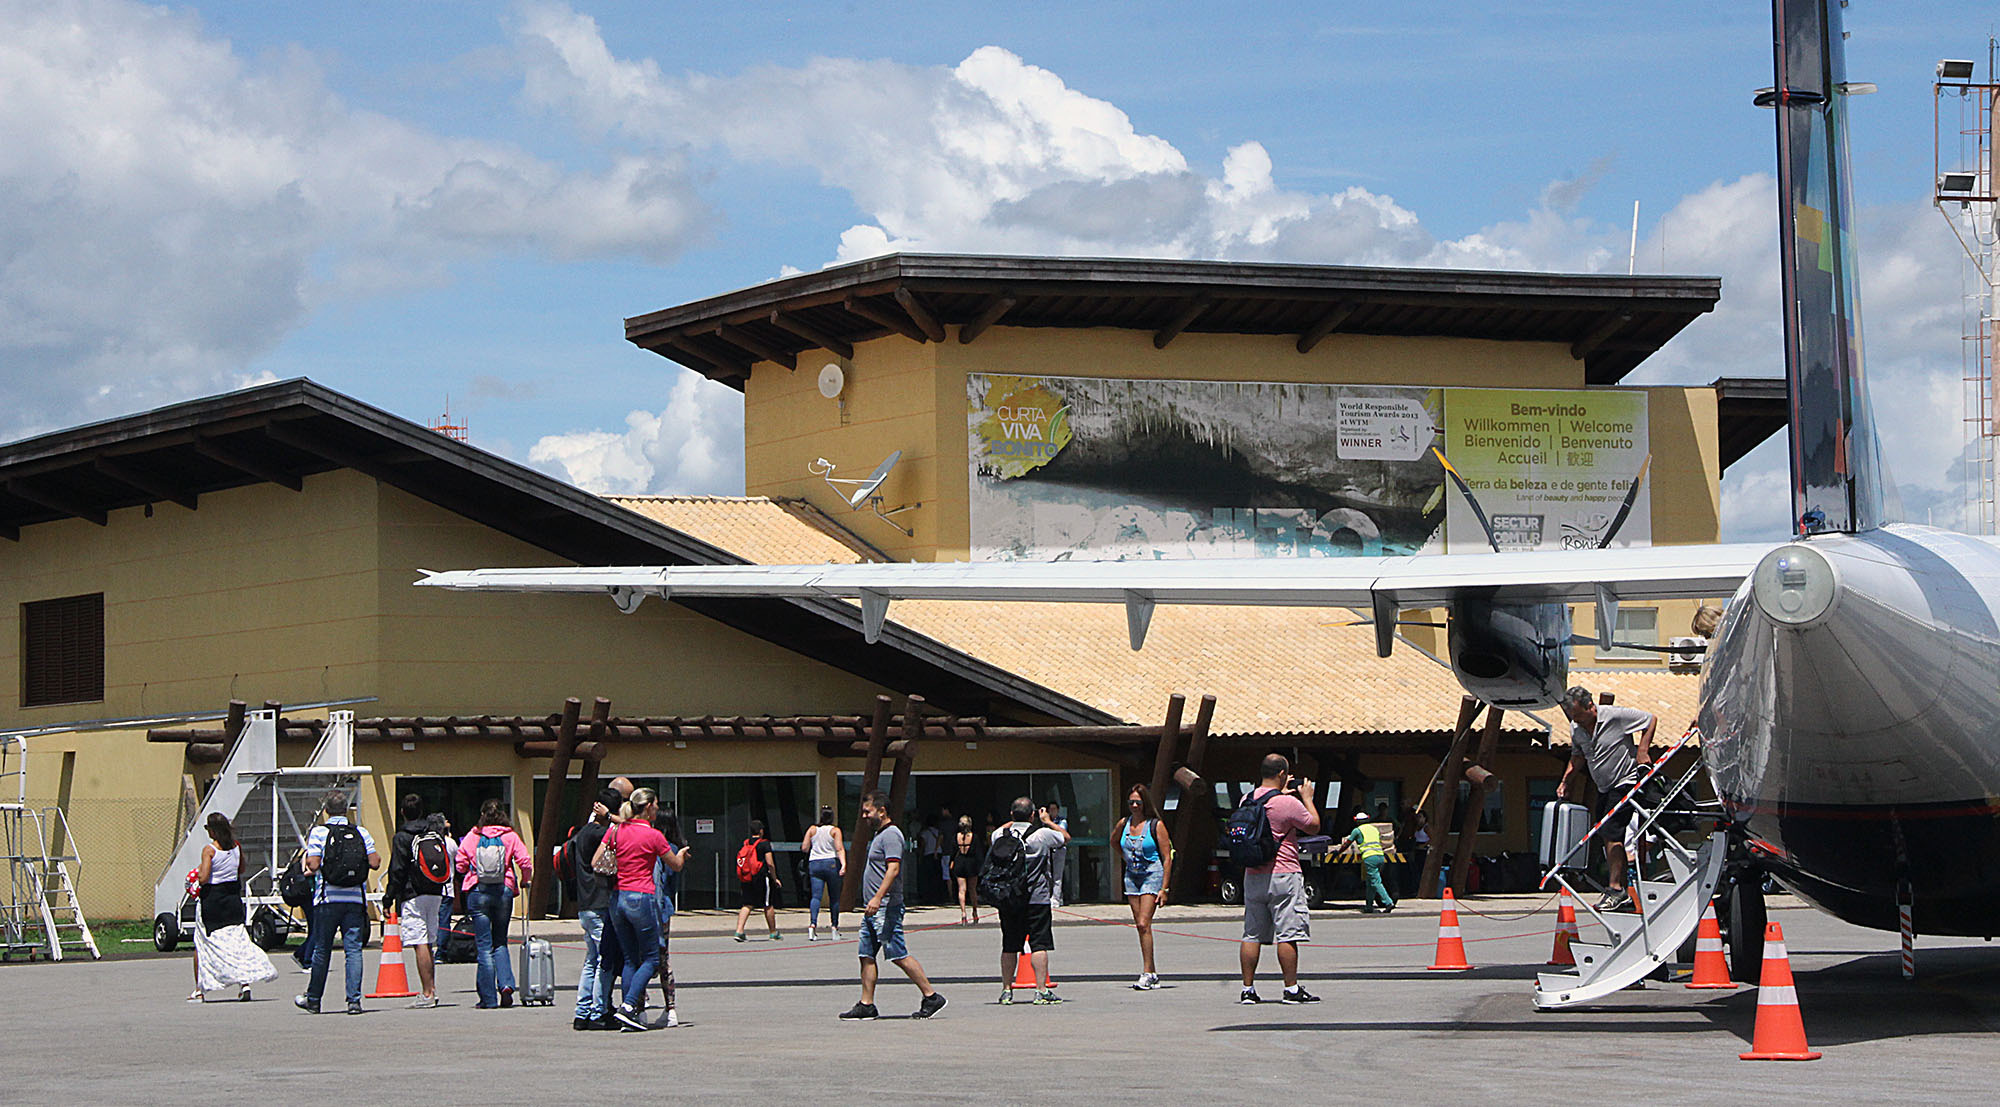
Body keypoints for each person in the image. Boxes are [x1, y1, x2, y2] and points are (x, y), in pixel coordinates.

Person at [842, 789, 946, 1020]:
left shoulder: (891, 835)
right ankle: (866, 1004)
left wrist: (878, 898)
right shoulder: (880, 835)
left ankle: (931, 996)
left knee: (897, 953)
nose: (864, 816)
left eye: (867, 812)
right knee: (866, 954)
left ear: (882, 810)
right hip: (873, 910)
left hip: (886, 907)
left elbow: (894, 869)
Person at [1557, 686, 1657, 912]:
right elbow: (1577, 756)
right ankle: (1621, 887)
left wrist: (1642, 751)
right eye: (1574, 718)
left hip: (1625, 782)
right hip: (1603, 787)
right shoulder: (1577, 728)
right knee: (1606, 834)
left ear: (1590, 707)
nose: (1578, 722)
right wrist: (1566, 781)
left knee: (1612, 831)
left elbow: (1650, 719)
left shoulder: (1614, 716)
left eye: (1580, 716)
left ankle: (1615, 888)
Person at [1237, 754, 1320, 1005]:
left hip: (1253, 874)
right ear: (1283, 774)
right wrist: (1306, 798)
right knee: (1288, 934)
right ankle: (1291, 989)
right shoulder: (1287, 803)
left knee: (1252, 934)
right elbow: (1313, 825)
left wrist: (1281, 792)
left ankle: (1248, 990)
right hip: (1284, 873)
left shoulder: (1246, 799)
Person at [295, 791, 381, 1015]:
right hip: (354, 899)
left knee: (322, 949)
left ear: (326, 811)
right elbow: (375, 862)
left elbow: (313, 865)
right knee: (353, 951)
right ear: (346, 810)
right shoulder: (361, 832)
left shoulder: (320, 832)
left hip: (327, 899)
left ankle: (313, 999)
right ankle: (354, 1001)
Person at [596, 787, 670, 1031]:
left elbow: (596, 861)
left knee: (630, 959)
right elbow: (675, 865)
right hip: (642, 896)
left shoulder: (616, 831)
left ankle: (631, 1015)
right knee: (651, 958)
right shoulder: (654, 835)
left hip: (618, 898)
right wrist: (681, 854)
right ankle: (628, 1007)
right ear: (647, 807)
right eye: (656, 805)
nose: (658, 810)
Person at [991, 796, 1070, 1005]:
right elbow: (1065, 838)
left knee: (1009, 944)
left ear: (1011, 814)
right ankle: (1041, 990)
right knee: (1039, 943)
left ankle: (1006, 990)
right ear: (1033, 814)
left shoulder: (1000, 834)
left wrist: (1012, 821)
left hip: (1009, 897)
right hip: (1037, 897)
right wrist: (1047, 821)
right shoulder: (1042, 834)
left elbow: (997, 835)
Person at [454, 798, 532, 1010]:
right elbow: (525, 861)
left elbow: (460, 864)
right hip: (503, 891)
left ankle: (488, 998)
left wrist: (467, 872)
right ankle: (506, 985)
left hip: (478, 891)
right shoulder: (510, 836)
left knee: (484, 946)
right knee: (500, 941)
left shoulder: (473, 836)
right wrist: (525, 880)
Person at [189, 812, 265, 1002]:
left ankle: (200, 989)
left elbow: (205, 877)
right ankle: (244, 983)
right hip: (232, 898)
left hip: (213, 900)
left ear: (213, 830)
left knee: (202, 942)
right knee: (237, 940)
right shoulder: (236, 847)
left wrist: (196, 877)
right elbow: (241, 869)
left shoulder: (209, 850)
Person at [384, 793, 450, 1007]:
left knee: (419, 942)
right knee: (429, 942)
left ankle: (427, 993)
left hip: (413, 894)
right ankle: (432, 989)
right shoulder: (432, 832)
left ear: (402, 812)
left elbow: (397, 871)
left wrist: (388, 898)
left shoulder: (402, 837)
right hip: (435, 890)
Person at [568, 787, 621, 1031]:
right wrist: (611, 817)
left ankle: (582, 1011)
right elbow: (628, 830)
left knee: (591, 959)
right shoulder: (602, 833)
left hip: (585, 903)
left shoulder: (582, 833)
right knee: (604, 959)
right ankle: (599, 1011)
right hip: (600, 902)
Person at [1113, 784, 1172, 990]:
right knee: (1140, 926)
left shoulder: (1156, 825)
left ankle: (1147, 973)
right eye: (1131, 802)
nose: (1135, 806)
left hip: (1152, 875)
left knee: (1143, 922)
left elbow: (1167, 857)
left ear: (1145, 803)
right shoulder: (1124, 823)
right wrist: (1126, 858)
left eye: (1138, 802)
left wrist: (1164, 888)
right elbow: (1114, 842)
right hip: (1132, 876)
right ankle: (1152, 971)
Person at [651, 810, 692, 1028]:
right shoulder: (676, 849)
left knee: (642, 959)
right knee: (664, 957)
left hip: (649, 904)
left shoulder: (653, 846)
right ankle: (671, 1008)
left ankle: (638, 1006)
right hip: (665, 905)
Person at [732, 819, 782, 941]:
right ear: (761, 831)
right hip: (761, 877)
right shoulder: (764, 844)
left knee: (747, 904)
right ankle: (773, 932)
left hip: (747, 877)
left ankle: (739, 931)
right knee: (768, 904)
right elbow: (770, 863)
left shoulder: (746, 843)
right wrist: (775, 878)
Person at [803, 805, 845, 941]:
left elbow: (804, 847)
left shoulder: (812, 829)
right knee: (834, 897)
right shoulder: (835, 831)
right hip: (830, 862)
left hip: (814, 863)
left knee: (816, 896)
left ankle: (812, 925)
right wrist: (843, 864)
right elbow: (839, 848)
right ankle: (834, 927)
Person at [1348, 811, 1396, 914]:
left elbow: (1347, 843)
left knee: (1376, 882)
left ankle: (1388, 902)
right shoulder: (1374, 829)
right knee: (1370, 882)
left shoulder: (1357, 831)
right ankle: (1369, 906)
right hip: (1380, 856)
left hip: (1370, 858)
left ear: (1357, 821)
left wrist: (1338, 852)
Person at [951, 814, 980, 925]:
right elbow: (977, 853)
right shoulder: (974, 837)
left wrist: (952, 862)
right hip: (971, 863)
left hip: (960, 862)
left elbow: (952, 851)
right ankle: (975, 912)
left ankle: (963, 913)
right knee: (972, 889)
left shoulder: (956, 837)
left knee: (961, 889)